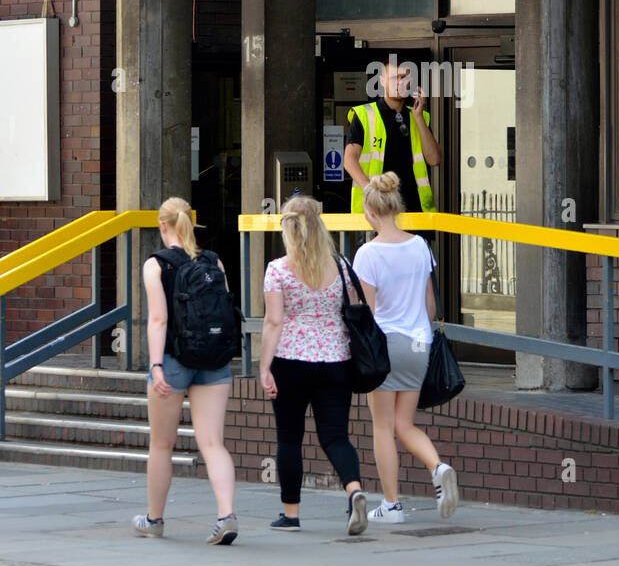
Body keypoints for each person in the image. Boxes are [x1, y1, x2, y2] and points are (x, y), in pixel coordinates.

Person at [258, 195, 368, 536]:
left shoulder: (278, 269)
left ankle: (291, 515)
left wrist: (264, 367)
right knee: (335, 436)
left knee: (289, 438)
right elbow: (352, 312)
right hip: (336, 360)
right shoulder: (341, 265)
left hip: (290, 360)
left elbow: (274, 322)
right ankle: (354, 490)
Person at [353, 171, 459, 524]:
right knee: (405, 423)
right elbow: (430, 305)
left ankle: (392, 505)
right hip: (419, 343)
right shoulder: (420, 247)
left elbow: (366, 312)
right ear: (396, 206)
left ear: (370, 210)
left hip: (386, 344)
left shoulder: (367, 254)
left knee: (383, 426)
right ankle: (438, 466)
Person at [133, 197, 239, 546]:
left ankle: (155, 519)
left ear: (163, 226)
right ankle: (226, 515)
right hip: (214, 360)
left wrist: (156, 365)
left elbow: (159, 319)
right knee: (212, 442)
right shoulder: (214, 262)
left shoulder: (156, 265)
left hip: (175, 360)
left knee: (162, 445)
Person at [344, 58, 441, 216]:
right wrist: (370, 190)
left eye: (405, 78)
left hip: (414, 212)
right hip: (376, 212)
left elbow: (435, 159)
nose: (400, 83)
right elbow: (349, 160)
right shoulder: (365, 115)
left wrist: (418, 117)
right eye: (394, 77)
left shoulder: (419, 116)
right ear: (382, 81)